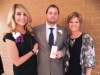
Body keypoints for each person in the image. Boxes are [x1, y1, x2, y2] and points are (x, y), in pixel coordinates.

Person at [3, 4, 38, 75]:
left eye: (25, 14)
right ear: (13, 16)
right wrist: (33, 51)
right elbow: (17, 62)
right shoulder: (9, 36)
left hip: (34, 69)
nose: (22, 17)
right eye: (18, 14)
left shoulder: (29, 33)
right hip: (22, 72)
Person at [33, 4, 67, 75]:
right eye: (50, 13)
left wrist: (62, 52)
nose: (53, 15)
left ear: (58, 16)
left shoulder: (63, 30)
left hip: (57, 68)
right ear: (46, 15)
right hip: (42, 68)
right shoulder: (36, 30)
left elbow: (66, 46)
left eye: (55, 13)